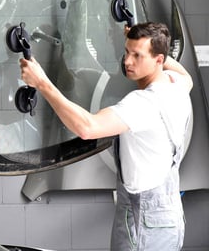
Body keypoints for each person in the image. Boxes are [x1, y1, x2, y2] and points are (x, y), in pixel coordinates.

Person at [19, 22, 193, 251]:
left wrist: (41, 82)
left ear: (158, 60)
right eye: (127, 51)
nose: (127, 61)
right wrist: (143, 45)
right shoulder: (175, 84)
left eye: (137, 55)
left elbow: (87, 127)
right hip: (168, 217)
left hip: (144, 224)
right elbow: (186, 74)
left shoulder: (144, 104)